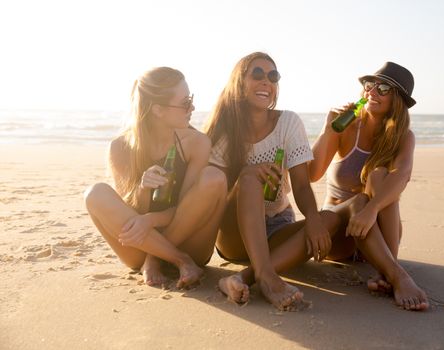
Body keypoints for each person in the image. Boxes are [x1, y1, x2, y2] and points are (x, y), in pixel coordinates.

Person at [204, 52, 340, 311]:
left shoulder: (288, 122)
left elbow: (301, 185)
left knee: (329, 219)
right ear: (239, 82)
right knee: (250, 178)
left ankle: (245, 276)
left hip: (277, 225)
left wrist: (312, 218)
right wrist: (248, 173)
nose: (266, 81)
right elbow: (213, 193)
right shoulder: (225, 130)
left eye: (273, 76)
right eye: (257, 74)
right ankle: (266, 277)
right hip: (234, 232)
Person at [84, 67, 227, 288]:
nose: (193, 107)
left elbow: (187, 210)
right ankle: (178, 260)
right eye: (185, 102)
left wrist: (150, 219)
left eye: (191, 99)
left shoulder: (197, 143)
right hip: (141, 247)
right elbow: (128, 215)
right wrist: (143, 189)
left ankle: (158, 259)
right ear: (158, 110)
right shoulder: (121, 148)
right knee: (95, 193)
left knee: (214, 178)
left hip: (188, 243)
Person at [308, 62, 429, 311]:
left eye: (383, 88)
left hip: (376, 235)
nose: (372, 91)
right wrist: (328, 130)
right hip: (338, 234)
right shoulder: (347, 126)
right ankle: (396, 276)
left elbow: (402, 175)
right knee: (370, 188)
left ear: (398, 99)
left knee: (378, 177)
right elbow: (311, 174)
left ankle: (387, 269)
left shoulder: (404, 137)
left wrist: (372, 208)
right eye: (369, 85)